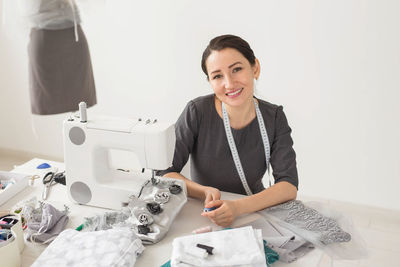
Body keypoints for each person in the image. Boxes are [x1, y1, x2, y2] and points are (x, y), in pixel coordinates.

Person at [157, 34, 298, 227]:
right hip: (205, 212)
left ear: (255, 67)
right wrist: (203, 191)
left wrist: (238, 207)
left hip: (253, 210)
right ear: (210, 81)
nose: (229, 84)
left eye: (237, 69)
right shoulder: (196, 112)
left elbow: (288, 186)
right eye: (217, 76)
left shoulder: (274, 117)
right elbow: (165, 172)